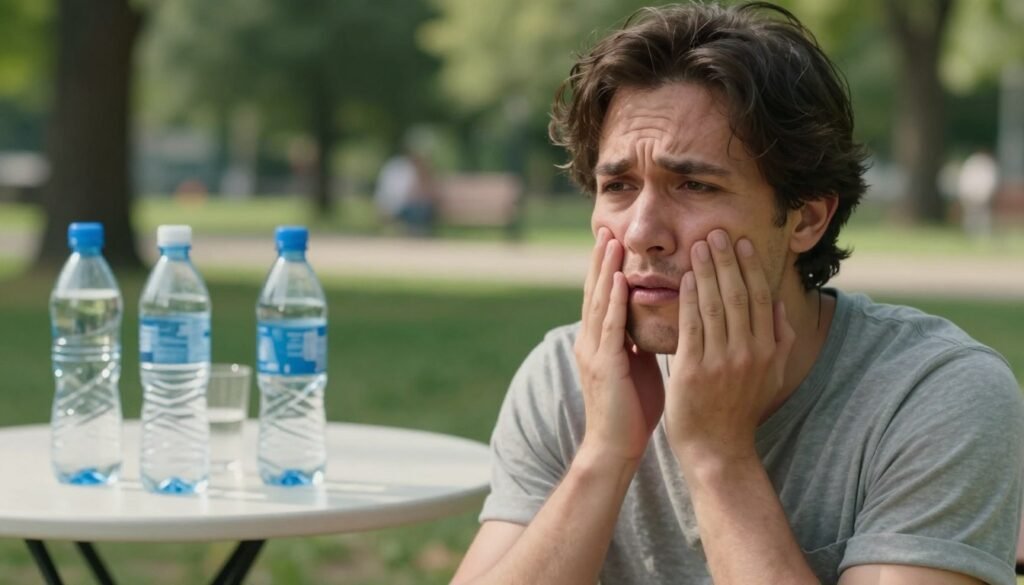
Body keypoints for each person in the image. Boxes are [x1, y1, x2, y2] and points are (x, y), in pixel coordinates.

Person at [452, 3, 1024, 585]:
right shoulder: (567, 376)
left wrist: (718, 457)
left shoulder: (932, 393)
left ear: (807, 218)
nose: (642, 233)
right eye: (619, 185)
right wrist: (602, 454)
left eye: (694, 185)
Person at [374, 146, 437, 236]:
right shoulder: (407, 168)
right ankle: (416, 230)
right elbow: (410, 193)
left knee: (422, 207)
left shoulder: (396, 165)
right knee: (420, 209)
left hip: (393, 203)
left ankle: (414, 230)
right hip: (399, 205)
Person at [957, 150, 999, 238]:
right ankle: (971, 233)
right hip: (972, 194)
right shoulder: (972, 163)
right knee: (971, 215)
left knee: (982, 215)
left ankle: (983, 234)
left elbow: (990, 182)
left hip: (981, 195)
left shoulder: (986, 164)